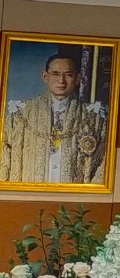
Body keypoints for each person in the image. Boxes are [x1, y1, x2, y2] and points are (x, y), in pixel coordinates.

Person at [1, 49, 108, 185]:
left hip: (73, 195)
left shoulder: (95, 119)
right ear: (45, 76)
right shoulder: (20, 115)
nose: (61, 81)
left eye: (68, 75)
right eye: (55, 74)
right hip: (30, 192)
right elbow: (4, 159)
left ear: (77, 79)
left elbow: (103, 164)